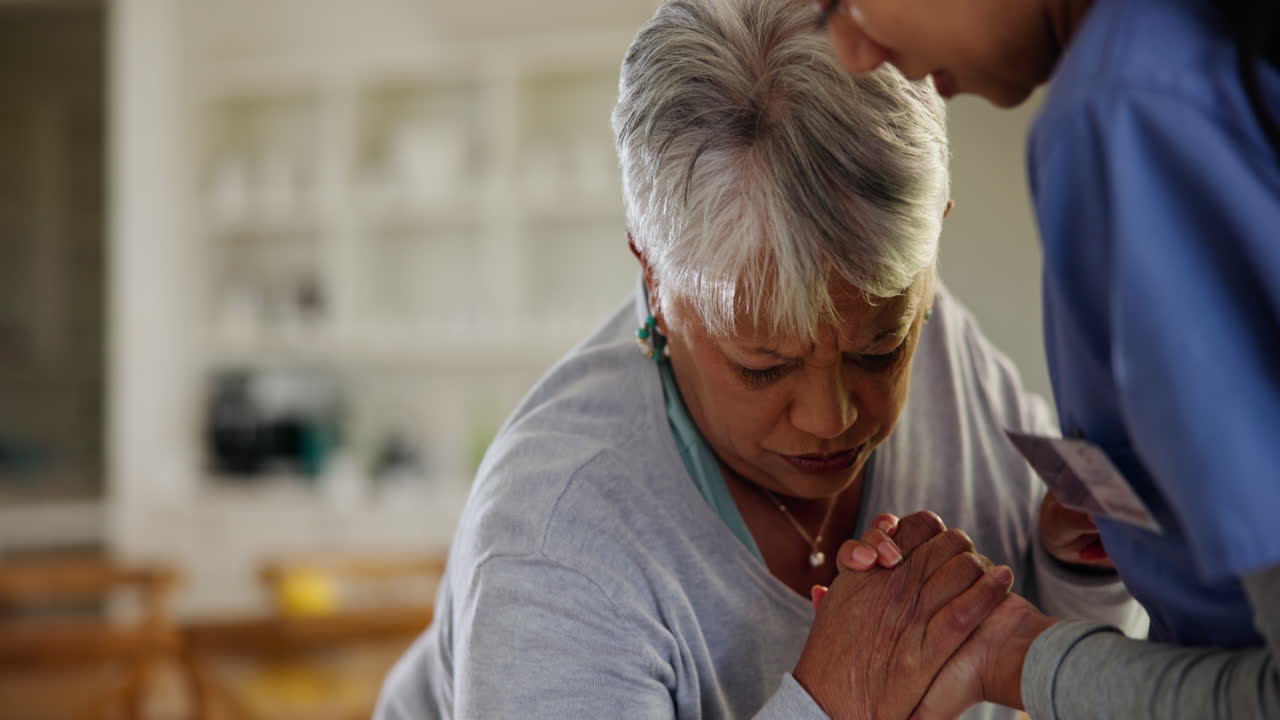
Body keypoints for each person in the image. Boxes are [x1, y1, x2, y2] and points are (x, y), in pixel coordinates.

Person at [374, 0, 1143, 717]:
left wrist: (1081, 564)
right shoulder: (555, 531)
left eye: (880, 348)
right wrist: (831, 701)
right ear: (656, 280)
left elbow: (1062, 654)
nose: (831, 418)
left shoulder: (948, 350)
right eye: (764, 365)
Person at [815, 0, 1280, 716]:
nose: (854, 52)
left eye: (844, 2)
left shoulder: (1122, 114)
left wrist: (1017, 658)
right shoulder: (1184, 63)